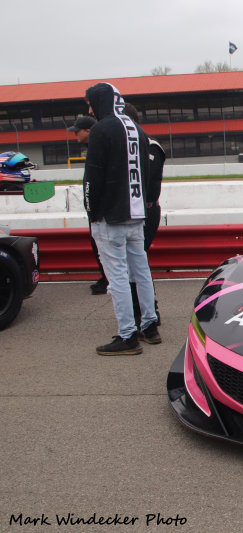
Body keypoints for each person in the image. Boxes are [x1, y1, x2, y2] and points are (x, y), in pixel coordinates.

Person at [83, 82, 161, 355]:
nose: (90, 110)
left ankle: (127, 336)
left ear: (99, 102)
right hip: (137, 214)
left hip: (110, 217)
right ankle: (150, 326)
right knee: (141, 271)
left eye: (91, 104)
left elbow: (92, 177)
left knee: (117, 277)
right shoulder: (136, 129)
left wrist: (92, 212)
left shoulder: (101, 129)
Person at [123, 102, 164, 327]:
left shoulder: (148, 145)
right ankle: (142, 310)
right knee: (135, 262)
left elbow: (147, 182)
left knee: (136, 262)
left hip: (146, 211)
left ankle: (148, 311)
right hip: (137, 211)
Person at [69, 116, 108, 295]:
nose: (74, 134)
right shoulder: (92, 148)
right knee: (96, 246)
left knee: (101, 246)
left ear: (88, 131)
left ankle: (108, 279)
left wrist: (94, 212)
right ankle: (105, 276)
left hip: (102, 211)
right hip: (96, 209)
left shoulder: (98, 148)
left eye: (78, 130)